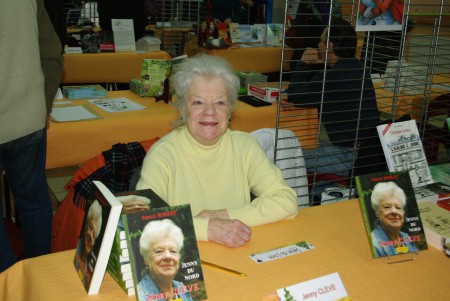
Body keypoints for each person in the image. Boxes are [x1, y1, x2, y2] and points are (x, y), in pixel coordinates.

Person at [136, 54, 298, 248]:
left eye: (220, 102)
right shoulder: (162, 155)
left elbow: (287, 201)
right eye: (198, 102)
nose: (210, 112)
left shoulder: (245, 146)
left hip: (240, 253)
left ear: (229, 110)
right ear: (181, 109)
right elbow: (143, 221)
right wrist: (209, 229)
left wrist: (224, 215)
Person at [0, 0, 63, 272]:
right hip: (27, 118)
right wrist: (43, 106)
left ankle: (7, 282)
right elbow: (52, 53)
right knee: (34, 201)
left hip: (23, 118)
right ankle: (41, 276)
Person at [283, 18, 380, 184]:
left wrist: (304, 63)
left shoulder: (333, 76)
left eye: (321, 41)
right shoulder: (358, 68)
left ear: (330, 45)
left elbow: (294, 95)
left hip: (348, 157)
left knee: (281, 156)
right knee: (303, 145)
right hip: (367, 153)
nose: (317, 45)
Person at [137, 219, 193, 301]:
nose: (168, 256)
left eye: (173, 251)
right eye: (159, 251)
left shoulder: (181, 287)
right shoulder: (140, 295)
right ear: (146, 259)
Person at [370, 181, 417, 257]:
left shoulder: (406, 237)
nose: (394, 211)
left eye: (398, 207)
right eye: (387, 207)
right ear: (377, 213)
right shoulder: (374, 245)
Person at [74, 200, 103, 285]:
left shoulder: (89, 266)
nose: (91, 237)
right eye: (90, 227)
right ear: (86, 224)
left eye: (94, 235)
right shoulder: (75, 248)